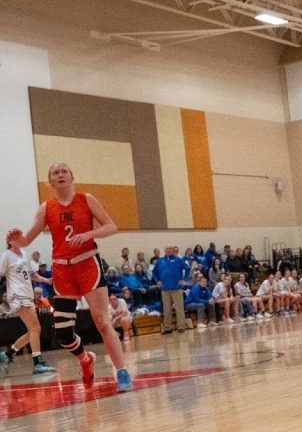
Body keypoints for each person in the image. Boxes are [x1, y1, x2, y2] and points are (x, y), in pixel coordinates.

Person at [11, 162, 131, 391]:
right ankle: (86, 359)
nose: (60, 174)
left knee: (102, 321)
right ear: (51, 181)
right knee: (63, 333)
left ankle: (122, 372)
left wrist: (89, 234)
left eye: (64, 171)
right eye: (55, 173)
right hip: (62, 269)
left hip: (87, 264)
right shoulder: (46, 208)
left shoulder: (86, 199)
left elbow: (111, 227)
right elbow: (27, 239)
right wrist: (18, 239)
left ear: (71, 176)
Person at [0, 230, 57, 375]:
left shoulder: (25, 254)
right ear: (10, 242)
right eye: (15, 238)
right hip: (17, 296)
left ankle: (7, 355)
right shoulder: (6, 256)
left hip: (27, 295)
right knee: (36, 328)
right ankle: (38, 363)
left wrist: (46, 280)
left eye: (20, 237)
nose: (19, 239)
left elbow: (32, 275)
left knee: (33, 330)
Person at [152, 245, 190, 333]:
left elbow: (187, 269)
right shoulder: (160, 261)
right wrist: (157, 281)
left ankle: (181, 326)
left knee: (179, 308)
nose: (168, 250)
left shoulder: (178, 260)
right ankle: (168, 327)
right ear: (164, 250)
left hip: (176, 288)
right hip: (164, 289)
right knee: (167, 309)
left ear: (173, 250)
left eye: (170, 249)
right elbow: (154, 273)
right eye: (167, 249)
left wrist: (184, 279)